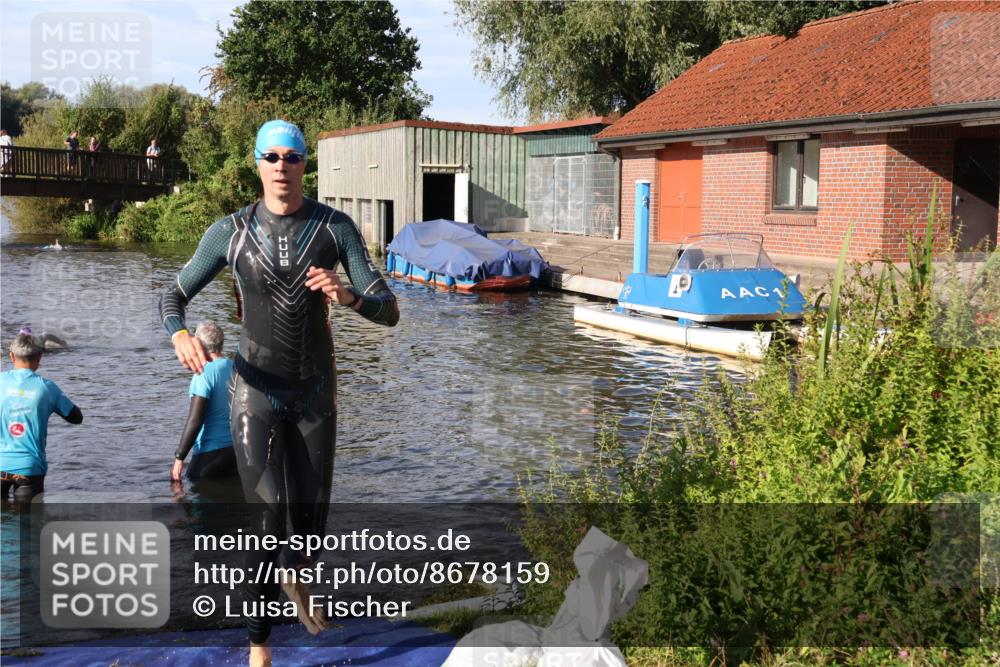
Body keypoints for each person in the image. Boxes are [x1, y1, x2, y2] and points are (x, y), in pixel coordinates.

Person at [159, 119, 399, 667]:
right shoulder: (230, 232)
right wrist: (177, 334)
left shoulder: (334, 228)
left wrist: (352, 297)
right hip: (255, 393)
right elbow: (172, 296)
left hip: (315, 393)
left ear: (304, 164)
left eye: (292, 157)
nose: (281, 167)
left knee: (309, 533)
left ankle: (298, 575)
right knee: (265, 525)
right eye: (271, 157)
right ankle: (259, 645)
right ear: (257, 162)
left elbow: (391, 310)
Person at [1, 332, 83, 502]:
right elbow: (76, 418)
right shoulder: (47, 388)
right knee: (27, 523)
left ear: (11, 356)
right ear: (40, 357)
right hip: (30, 468)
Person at [171, 321, 237, 482]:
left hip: (209, 455)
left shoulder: (203, 372)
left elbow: (196, 419)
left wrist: (179, 458)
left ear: (198, 345)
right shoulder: (237, 368)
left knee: (182, 493)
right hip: (238, 453)